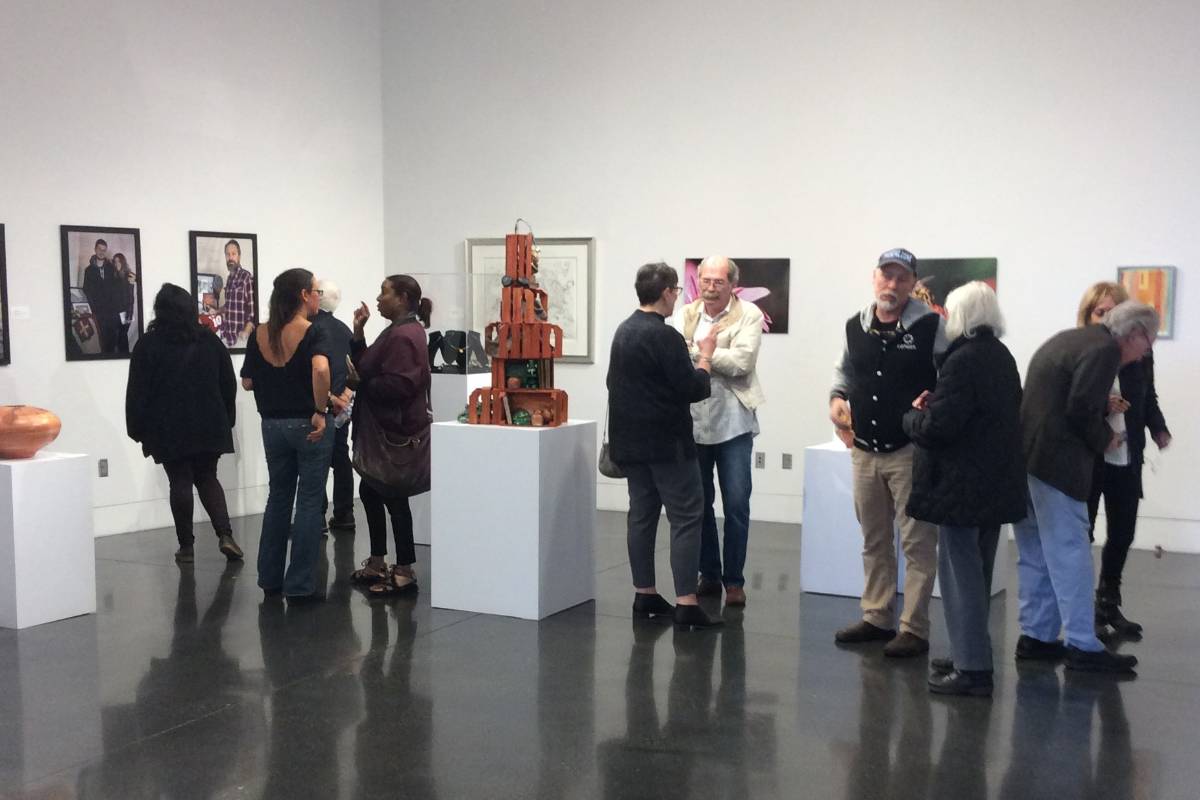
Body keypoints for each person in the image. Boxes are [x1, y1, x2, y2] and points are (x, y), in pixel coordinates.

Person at [1014, 300, 1159, 674]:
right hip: (1058, 466)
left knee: (1036, 553)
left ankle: (1037, 637)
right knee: (1070, 553)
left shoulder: (1072, 340)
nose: (1148, 351)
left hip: (1028, 460)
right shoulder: (1104, 351)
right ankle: (1082, 644)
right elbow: (1080, 407)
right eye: (1150, 342)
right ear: (1137, 333)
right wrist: (1106, 437)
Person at [901, 282, 1025, 696]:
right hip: (994, 483)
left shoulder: (963, 360)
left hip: (961, 487)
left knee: (960, 579)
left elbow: (940, 428)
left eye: (951, 314)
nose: (946, 320)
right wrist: (937, 402)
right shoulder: (1000, 357)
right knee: (979, 575)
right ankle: (968, 655)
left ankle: (972, 669)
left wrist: (911, 419)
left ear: (964, 318)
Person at [829, 248, 947, 657]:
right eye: (886, 276)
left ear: (912, 283)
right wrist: (837, 397)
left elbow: (949, 377)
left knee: (917, 543)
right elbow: (844, 371)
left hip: (909, 451)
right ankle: (877, 616)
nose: (892, 285)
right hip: (864, 450)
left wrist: (935, 402)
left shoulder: (932, 327)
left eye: (901, 278)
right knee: (874, 538)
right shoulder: (854, 326)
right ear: (874, 277)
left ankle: (913, 627)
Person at [607, 261, 722, 630]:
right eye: (677, 290)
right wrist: (705, 355)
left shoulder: (623, 331)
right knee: (687, 517)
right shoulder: (665, 336)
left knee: (641, 516)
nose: (678, 296)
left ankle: (645, 594)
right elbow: (693, 388)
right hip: (667, 445)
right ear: (667, 292)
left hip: (631, 446)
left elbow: (615, 384)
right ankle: (687, 601)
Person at [1076, 282, 1172, 638]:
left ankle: (1108, 604)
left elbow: (1148, 397)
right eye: (1101, 312)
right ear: (1089, 317)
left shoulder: (1140, 354)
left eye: (1116, 311)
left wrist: (1158, 428)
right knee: (1081, 532)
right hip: (1089, 457)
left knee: (1123, 532)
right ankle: (1079, 608)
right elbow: (1072, 405)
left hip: (1126, 454)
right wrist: (1104, 406)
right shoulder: (1083, 350)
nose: (1110, 318)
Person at [126, 283, 244, 563]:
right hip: (209, 423)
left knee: (179, 478)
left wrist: (138, 429)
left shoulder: (148, 345)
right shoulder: (210, 341)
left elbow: (137, 391)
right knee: (207, 477)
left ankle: (187, 546)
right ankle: (225, 534)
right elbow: (228, 383)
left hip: (168, 426)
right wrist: (226, 418)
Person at [674, 255, 764, 607]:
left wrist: (700, 354)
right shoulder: (684, 314)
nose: (710, 287)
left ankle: (735, 581)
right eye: (705, 280)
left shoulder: (750, 315)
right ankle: (709, 574)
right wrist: (709, 352)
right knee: (700, 505)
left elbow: (743, 364)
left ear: (732, 285)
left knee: (737, 503)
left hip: (734, 423)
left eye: (718, 282)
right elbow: (675, 359)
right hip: (693, 422)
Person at [240, 268, 333, 602]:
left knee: (278, 497)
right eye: (315, 291)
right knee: (309, 501)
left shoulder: (260, 333)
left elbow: (247, 380)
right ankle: (300, 585)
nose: (318, 297)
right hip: (307, 423)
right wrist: (320, 410)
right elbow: (321, 369)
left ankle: (269, 578)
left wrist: (272, 384)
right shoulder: (312, 332)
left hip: (271, 425)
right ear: (303, 295)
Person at [347, 274, 432, 596]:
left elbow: (401, 385)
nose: (379, 299)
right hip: (382, 428)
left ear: (404, 298)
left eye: (385, 293)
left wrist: (361, 385)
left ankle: (405, 568)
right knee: (371, 491)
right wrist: (358, 333)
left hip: (392, 431)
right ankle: (379, 561)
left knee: (393, 496)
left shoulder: (404, 335)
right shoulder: (400, 331)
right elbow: (370, 366)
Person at [311, 279, 356, 532]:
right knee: (340, 457)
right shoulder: (345, 330)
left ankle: (317, 516)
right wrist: (346, 397)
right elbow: (356, 368)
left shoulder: (310, 329)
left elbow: (317, 370)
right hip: (342, 407)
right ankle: (345, 513)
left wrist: (328, 399)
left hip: (319, 405)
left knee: (315, 460)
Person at [82, 238, 128, 354]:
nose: (102, 252)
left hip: (113, 313)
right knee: (100, 340)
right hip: (98, 312)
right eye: (99, 249)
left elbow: (120, 286)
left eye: (104, 250)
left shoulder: (112, 267)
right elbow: (86, 290)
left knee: (112, 341)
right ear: (95, 249)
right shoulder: (88, 270)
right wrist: (93, 308)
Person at [219, 239, 255, 348]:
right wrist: (216, 310)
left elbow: (252, 311)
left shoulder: (246, 277)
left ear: (239, 256)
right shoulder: (229, 279)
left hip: (240, 339)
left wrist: (246, 332)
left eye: (233, 254)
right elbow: (229, 306)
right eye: (227, 254)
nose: (230, 257)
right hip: (227, 337)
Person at [112, 252, 138, 353]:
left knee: (122, 337)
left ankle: (125, 357)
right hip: (116, 313)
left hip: (127, 311)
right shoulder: (115, 276)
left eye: (119, 261)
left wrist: (129, 314)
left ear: (123, 262)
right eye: (115, 261)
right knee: (119, 338)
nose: (116, 263)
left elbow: (131, 297)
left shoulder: (129, 275)